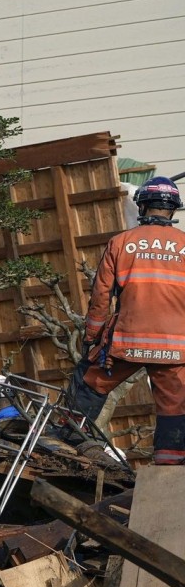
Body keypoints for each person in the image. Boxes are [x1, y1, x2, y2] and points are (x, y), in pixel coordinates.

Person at [63, 176, 185, 464]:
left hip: (126, 343)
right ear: (173, 209)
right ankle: (170, 462)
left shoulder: (121, 242)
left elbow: (100, 298)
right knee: (175, 404)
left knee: (89, 382)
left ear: (142, 205)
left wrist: (91, 337)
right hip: (175, 347)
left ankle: (69, 440)